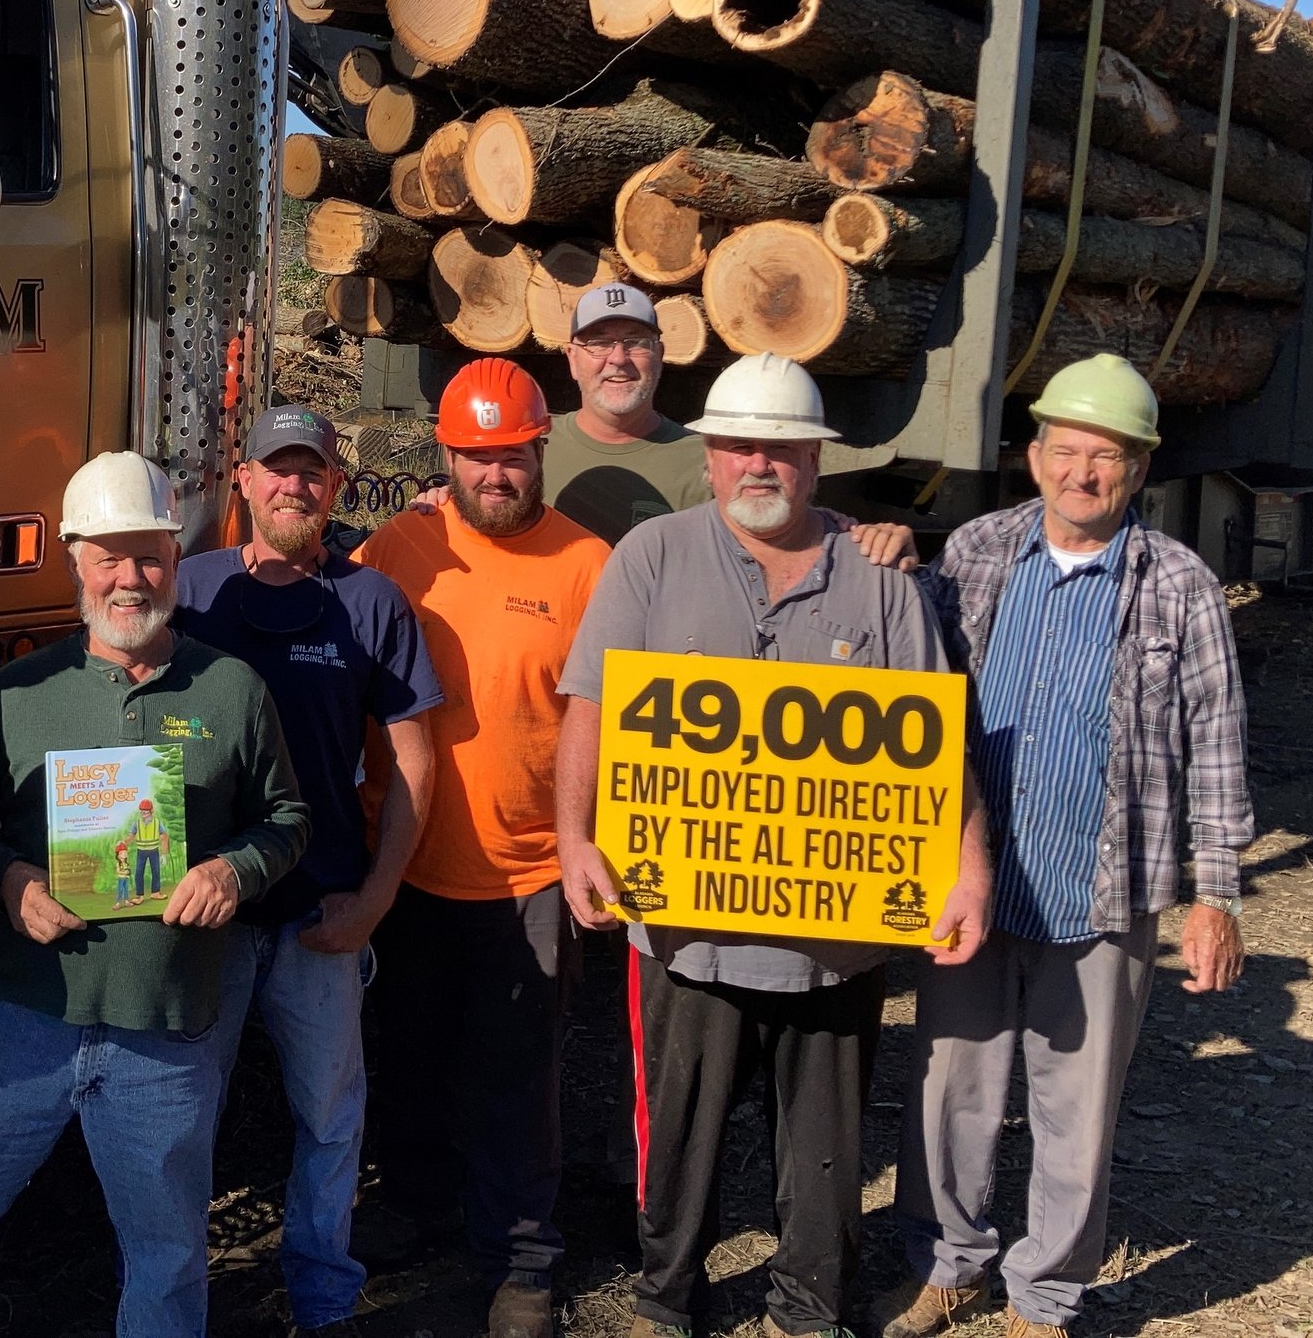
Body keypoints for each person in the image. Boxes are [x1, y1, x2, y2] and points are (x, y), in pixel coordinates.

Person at [553, 353, 995, 1338]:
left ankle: (810, 1310)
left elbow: (937, 744)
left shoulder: (881, 582)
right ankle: (666, 1302)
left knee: (826, 1151)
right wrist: (574, 836)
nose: (761, 465)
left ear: (814, 460)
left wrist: (968, 870)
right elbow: (588, 706)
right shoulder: (652, 558)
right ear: (709, 457)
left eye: (783, 449)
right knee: (680, 1139)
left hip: (832, 942)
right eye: (741, 446)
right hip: (685, 930)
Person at [0, 451, 311, 1338]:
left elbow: (288, 817)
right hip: (18, 1017)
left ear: (175, 557)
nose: (129, 577)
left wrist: (237, 870)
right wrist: (7, 879)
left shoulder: (231, 690)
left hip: (165, 1033)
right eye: (107, 555)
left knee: (167, 1259)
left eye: (148, 554)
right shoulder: (21, 691)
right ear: (73, 558)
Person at [880, 357, 1251, 1338]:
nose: (1081, 474)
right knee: (951, 1085)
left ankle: (1043, 1298)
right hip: (971, 881)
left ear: (1136, 472)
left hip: (1101, 887)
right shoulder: (972, 552)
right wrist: (864, 547)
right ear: (1032, 453)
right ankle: (944, 1264)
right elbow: (903, 677)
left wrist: (1216, 894)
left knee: (1074, 1107)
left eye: (1106, 458)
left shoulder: (1177, 585)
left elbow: (1214, 741)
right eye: (1066, 451)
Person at [352, 359, 610, 1338]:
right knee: (407, 1051)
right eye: (475, 455)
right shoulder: (394, 550)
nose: (494, 473)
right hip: (406, 864)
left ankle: (522, 1259)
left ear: (539, 450)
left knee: (517, 1074)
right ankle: (412, 1204)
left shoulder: (589, 563)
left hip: (529, 872)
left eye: (511, 455)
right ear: (446, 455)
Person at [179, 404, 441, 1338]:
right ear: (242, 481)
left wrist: (374, 900)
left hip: (319, 916)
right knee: (180, 1121)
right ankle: (175, 1300)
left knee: (330, 1121)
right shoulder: (190, 591)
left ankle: (323, 1300)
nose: (294, 483)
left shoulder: (371, 602)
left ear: (335, 487)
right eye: (276, 467)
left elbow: (414, 762)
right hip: (200, 915)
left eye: (312, 470)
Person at [542, 283, 714, 545]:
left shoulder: (705, 462)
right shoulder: (532, 448)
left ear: (659, 355)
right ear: (572, 359)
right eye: (599, 343)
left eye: (635, 342)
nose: (619, 359)